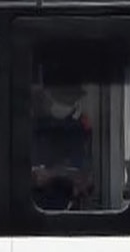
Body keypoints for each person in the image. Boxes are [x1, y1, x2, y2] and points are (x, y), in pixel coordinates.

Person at [31, 82, 93, 211]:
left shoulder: (78, 128)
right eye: (64, 99)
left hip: (64, 207)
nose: (69, 104)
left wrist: (51, 174)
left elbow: (83, 175)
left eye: (72, 100)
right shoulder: (32, 125)